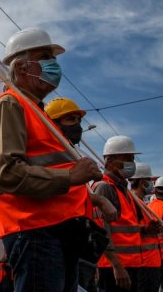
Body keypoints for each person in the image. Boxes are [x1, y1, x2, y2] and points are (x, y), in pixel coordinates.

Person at [0, 30, 109, 292]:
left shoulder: (36, 112)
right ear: (21, 68)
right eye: (44, 58)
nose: (54, 65)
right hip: (33, 230)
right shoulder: (10, 105)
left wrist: (89, 195)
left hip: (54, 230)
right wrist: (71, 177)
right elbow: (5, 172)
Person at [45, 97, 114, 292]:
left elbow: (72, 191)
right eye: (70, 119)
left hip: (73, 241)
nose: (77, 125)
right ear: (52, 123)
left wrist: (97, 200)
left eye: (78, 119)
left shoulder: (70, 154)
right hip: (52, 238)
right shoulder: (49, 152)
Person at [92, 136, 161, 292]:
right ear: (110, 161)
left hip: (131, 265)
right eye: (127, 159)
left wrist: (146, 230)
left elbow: (125, 228)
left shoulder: (124, 190)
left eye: (132, 159)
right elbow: (101, 230)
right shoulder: (104, 187)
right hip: (115, 268)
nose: (132, 164)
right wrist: (117, 266)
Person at [130, 163, 162, 292]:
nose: (151, 184)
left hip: (150, 262)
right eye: (149, 180)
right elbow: (131, 229)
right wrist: (148, 229)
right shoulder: (134, 202)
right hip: (145, 263)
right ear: (142, 182)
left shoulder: (141, 203)